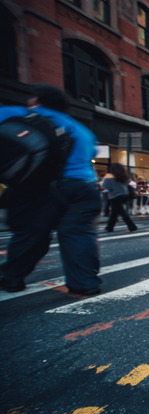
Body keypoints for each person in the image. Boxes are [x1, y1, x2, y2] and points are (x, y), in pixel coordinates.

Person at [0, 84, 102, 295]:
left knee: (31, 232)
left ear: (35, 101)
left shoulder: (19, 114)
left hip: (43, 187)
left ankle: (11, 278)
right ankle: (84, 283)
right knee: (78, 234)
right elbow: (91, 153)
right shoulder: (81, 129)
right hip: (84, 188)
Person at [102, 163, 138, 233]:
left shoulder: (110, 176)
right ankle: (109, 227)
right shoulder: (123, 176)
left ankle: (132, 226)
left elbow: (107, 187)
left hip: (115, 196)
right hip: (124, 195)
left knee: (121, 212)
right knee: (114, 212)